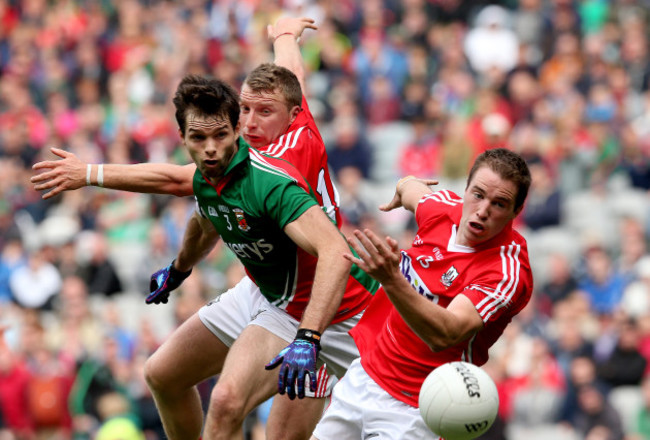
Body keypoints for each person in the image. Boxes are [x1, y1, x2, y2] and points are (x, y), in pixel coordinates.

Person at [32, 17, 361, 440]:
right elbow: (205, 211)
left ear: (293, 113)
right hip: (266, 288)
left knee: (243, 413)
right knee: (163, 374)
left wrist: (91, 172)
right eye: (245, 109)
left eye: (264, 112)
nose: (251, 120)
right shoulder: (231, 151)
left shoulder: (277, 167)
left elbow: (176, 181)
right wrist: (284, 35)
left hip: (322, 305)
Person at [311, 148, 534, 440]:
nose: (483, 210)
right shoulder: (441, 208)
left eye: (500, 204)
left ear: (516, 212)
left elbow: (446, 334)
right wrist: (404, 184)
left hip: (419, 407)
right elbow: (409, 188)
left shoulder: (506, 271)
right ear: (465, 189)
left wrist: (392, 281)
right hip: (365, 375)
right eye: (478, 195)